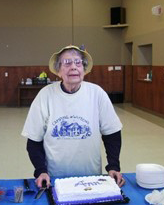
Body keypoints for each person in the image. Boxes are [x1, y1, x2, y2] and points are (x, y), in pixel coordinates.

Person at [21, 45, 125, 188]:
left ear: (84, 69)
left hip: (91, 177)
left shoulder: (97, 93)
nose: (73, 67)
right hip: (55, 178)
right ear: (58, 71)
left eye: (78, 62)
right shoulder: (45, 95)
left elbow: (112, 133)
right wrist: (41, 170)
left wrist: (113, 165)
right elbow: (33, 139)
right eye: (67, 63)